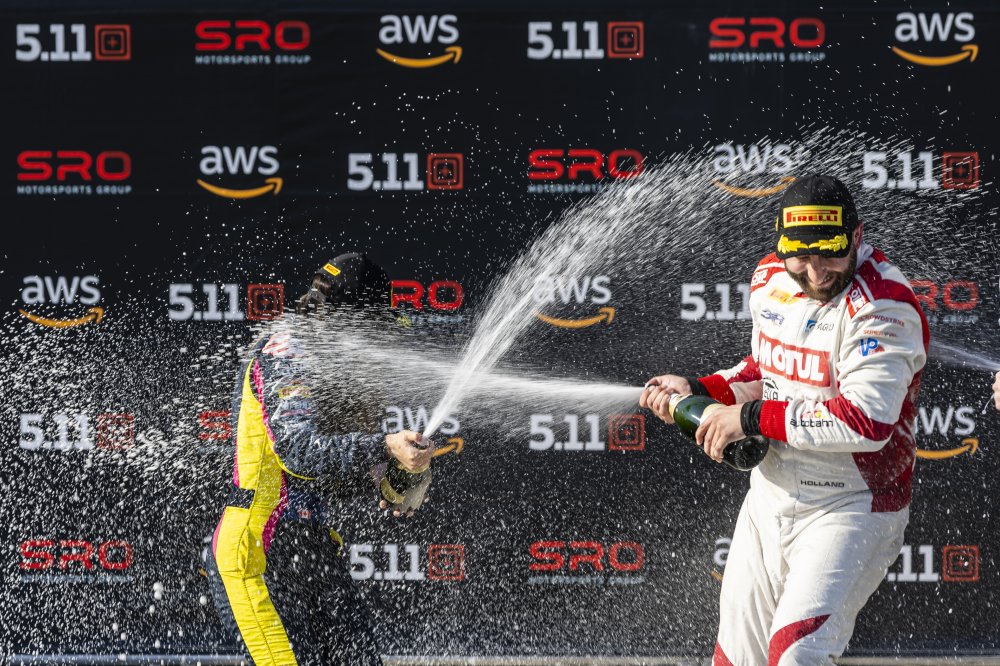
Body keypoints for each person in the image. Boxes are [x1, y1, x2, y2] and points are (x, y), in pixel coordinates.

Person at [640, 174, 928, 665]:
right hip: (768, 498)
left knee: (797, 656)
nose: (815, 272)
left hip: (852, 505)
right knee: (735, 659)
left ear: (857, 236)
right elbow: (765, 370)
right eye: (800, 256)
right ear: (780, 245)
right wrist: (701, 389)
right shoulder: (770, 278)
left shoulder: (884, 307)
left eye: (831, 254)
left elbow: (865, 423)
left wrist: (749, 417)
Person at [208, 252, 433, 666]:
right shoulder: (286, 352)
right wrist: (384, 446)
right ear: (347, 319)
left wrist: (389, 479)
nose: (376, 342)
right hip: (259, 556)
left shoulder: (330, 359)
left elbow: (322, 479)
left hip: (310, 551)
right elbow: (297, 453)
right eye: (373, 327)